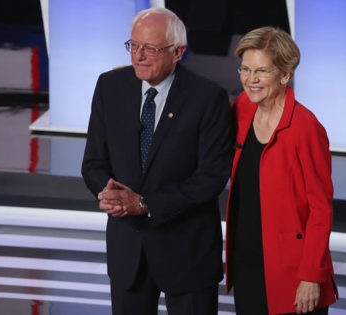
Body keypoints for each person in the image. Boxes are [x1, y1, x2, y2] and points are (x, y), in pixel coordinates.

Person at [81, 7, 233, 315]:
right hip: (128, 254)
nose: (138, 56)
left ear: (178, 52)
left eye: (150, 48)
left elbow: (211, 177)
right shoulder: (110, 87)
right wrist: (108, 193)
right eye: (133, 45)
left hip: (187, 253)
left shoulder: (208, 98)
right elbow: (93, 162)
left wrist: (145, 203)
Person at [225, 26, 338, 315]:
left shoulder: (306, 128)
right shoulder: (243, 109)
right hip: (247, 262)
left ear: (285, 75)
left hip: (292, 270)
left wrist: (311, 275)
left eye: (261, 71)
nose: (251, 80)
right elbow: (199, 113)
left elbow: (320, 209)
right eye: (246, 69)